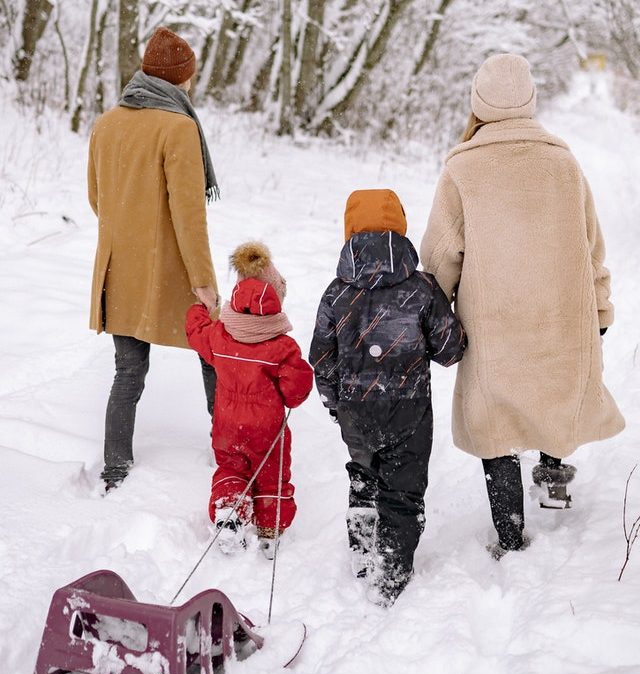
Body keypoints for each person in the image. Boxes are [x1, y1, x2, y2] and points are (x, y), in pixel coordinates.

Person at [420, 53, 625, 558]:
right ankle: (554, 474)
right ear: (531, 99)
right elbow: (590, 245)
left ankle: (510, 534)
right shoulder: (562, 163)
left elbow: (442, 253)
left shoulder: (463, 168)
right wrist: (599, 306)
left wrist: (433, 313)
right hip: (559, 313)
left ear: (478, 101)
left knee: (496, 423)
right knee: (553, 392)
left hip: (492, 322)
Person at [309, 189, 466, 606]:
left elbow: (321, 358)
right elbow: (451, 350)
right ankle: (390, 572)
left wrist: (332, 402)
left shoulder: (337, 294)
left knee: (364, 476)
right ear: (400, 226)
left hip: (355, 412)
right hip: (408, 413)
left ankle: (362, 552)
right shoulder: (421, 289)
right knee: (402, 492)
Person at [88, 27, 221, 492]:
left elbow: (96, 199)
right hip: (170, 271)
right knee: (213, 354)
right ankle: (228, 451)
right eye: (191, 76)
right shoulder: (179, 127)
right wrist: (204, 282)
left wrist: (131, 228)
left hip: (119, 269)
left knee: (128, 371)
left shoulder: (106, 124)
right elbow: (190, 216)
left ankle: (115, 468)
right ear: (181, 79)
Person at [186, 242, 313, 559]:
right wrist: (286, 395)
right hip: (267, 429)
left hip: (227, 425)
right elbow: (298, 386)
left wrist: (199, 309)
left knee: (231, 468)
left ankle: (230, 512)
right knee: (272, 474)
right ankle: (270, 532)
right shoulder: (281, 347)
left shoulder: (220, 335)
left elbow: (196, 332)